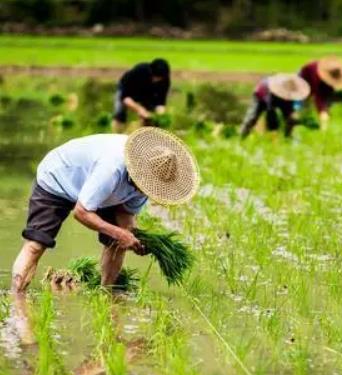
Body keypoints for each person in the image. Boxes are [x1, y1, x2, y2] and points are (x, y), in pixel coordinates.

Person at [11, 127, 199, 292]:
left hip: (101, 193)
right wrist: (118, 233)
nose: (148, 191)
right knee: (36, 245)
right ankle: (16, 301)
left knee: (118, 242)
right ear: (138, 172)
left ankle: (106, 294)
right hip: (58, 178)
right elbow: (82, 212)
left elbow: (126, 215)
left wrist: (133, 238)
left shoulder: (149, 183)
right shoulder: (112, 168)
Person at [240, 74, 310, 138]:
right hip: (261, 96)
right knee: (253, 117)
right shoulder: (271, 92)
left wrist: (295, 111)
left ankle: (288, 138)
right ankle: (242, 136)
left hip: (280, 98)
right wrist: (274, 130)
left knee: (290, 119)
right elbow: (270, 111)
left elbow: (297, 103)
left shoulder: (292, 91)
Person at [112, 58, 171, 131]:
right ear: (151, 72)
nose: (157, 80)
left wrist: (159, 116)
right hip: (128, 90)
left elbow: (161, 102)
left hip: (147, 93)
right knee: (120, 114)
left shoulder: (165, 80)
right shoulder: (139, 71)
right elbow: (125, 98)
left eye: (159, 78)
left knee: (149, 120)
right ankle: (116, 133)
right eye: (155, 77)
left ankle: (143, 137)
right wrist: (139, 109)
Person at [298, 56, 342, 130]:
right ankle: (301, 118)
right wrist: (322, 112)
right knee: (303, 99)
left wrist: (326, 110)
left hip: (316, 80)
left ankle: (313, 114)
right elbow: (318, 96)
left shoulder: (330, 77)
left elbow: (327, 94)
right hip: (304, 78)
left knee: (325, 101)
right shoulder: (316, 76)